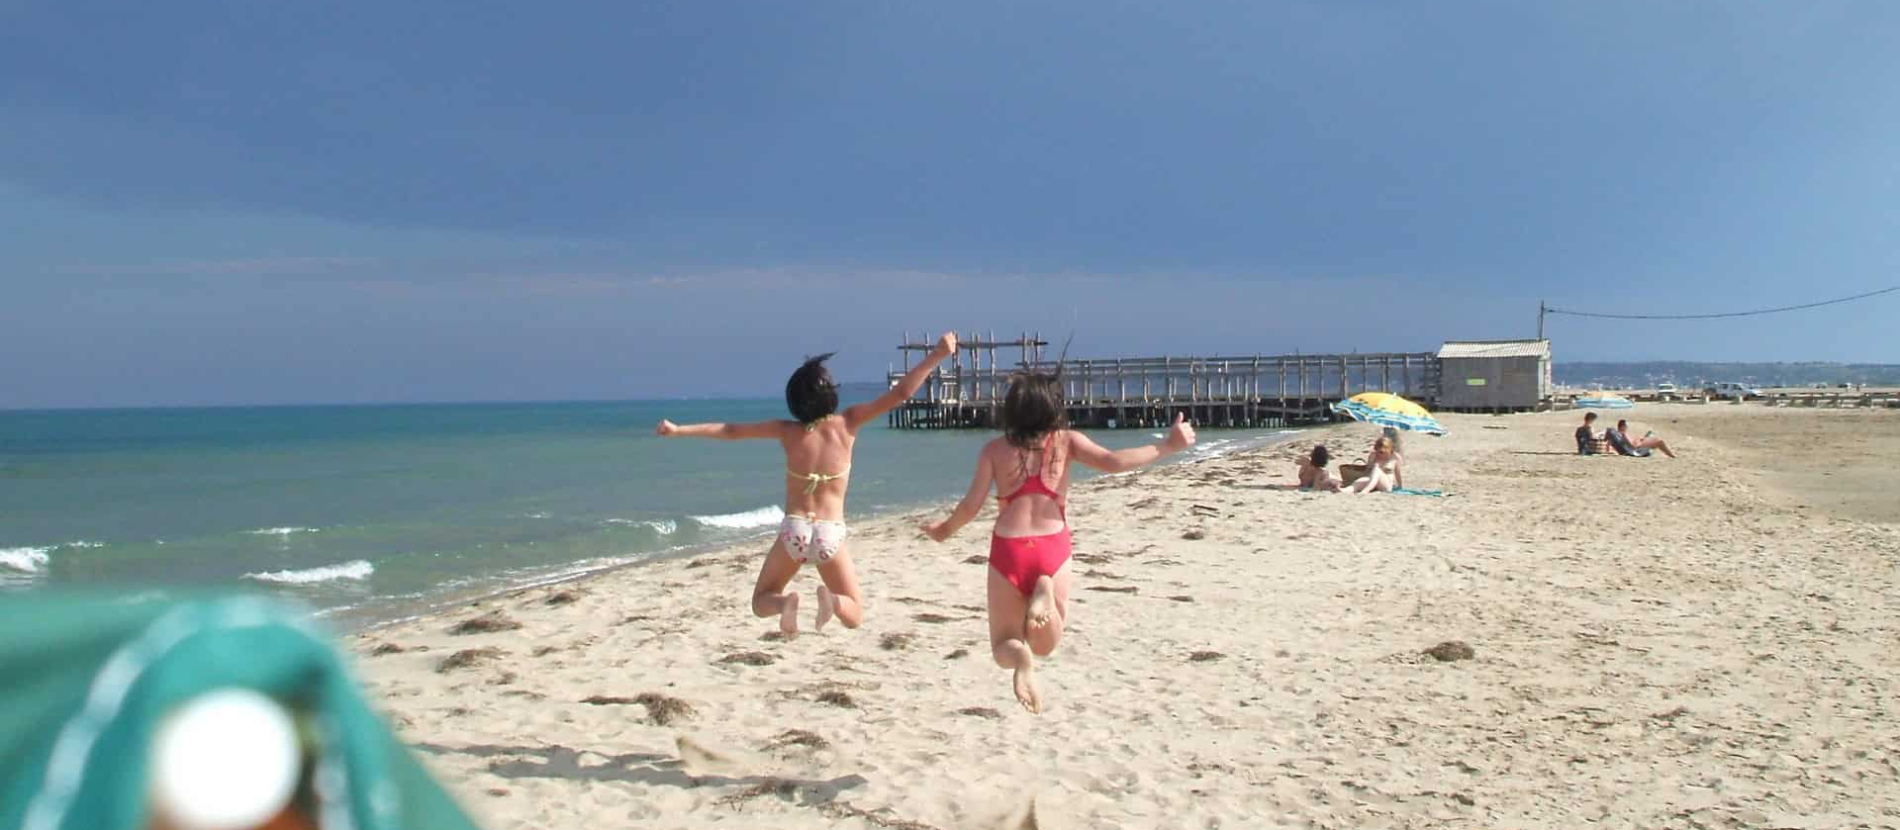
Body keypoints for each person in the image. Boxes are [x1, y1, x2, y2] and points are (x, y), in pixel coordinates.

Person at [921, 372, 1196, 714]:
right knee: (1047, 644)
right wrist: (1167, 446)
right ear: (1053, 408)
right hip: (1053, 545)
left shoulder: (994, 450)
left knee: (1003, 645)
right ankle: (1045, 588)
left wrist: (944, 531)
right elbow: (1113, 463)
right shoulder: (1067, 441)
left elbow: (970, 506)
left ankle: (1020, 659)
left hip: (1009, 548)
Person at [656, 332, 958, 636]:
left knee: (762, 600)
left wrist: (679, 429)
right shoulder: (848, 423)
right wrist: (937, 354)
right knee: (854, 612)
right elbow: (901, 394)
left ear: (794, 404)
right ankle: (834, 603)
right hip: (830, 532)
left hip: (795, 531)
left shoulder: (787, 431)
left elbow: (731, 430)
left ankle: (786, 603)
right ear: (832, 394)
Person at [1609, 418, 1677, 458]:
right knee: (1659, 441)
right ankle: (1671, 455)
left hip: (1638, 445)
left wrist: (1640, 438)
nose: (1627, 427)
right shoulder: (1624, 434)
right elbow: (1633, 445)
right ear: (1622, 426)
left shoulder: (1619, 434)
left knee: (1653, 437)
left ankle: (1668, 453)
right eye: (1626, 426)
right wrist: (1639, 440)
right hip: (1638, 448)